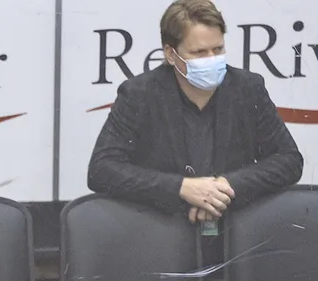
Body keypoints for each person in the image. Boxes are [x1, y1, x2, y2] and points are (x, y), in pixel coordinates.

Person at [87, 0, 302, 239]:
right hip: (160, 237)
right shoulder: (139, 94)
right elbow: (102, 169)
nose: (212, 59)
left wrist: (225, 186)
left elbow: (289, 160)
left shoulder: (248, 88)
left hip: (234, 237)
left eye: (218, 49)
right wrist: (181, 188)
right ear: (171, 54)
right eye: (199, 52)